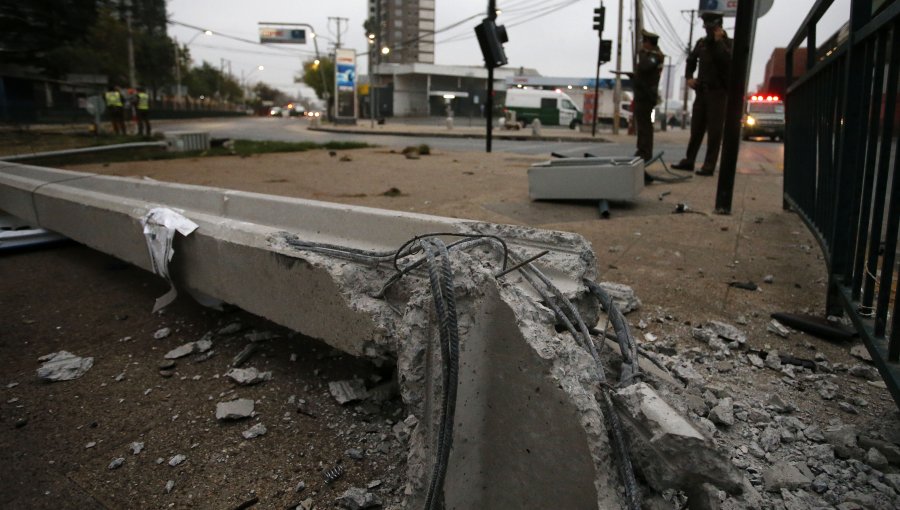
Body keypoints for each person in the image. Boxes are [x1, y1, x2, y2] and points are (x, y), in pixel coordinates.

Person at [671, 12, 733, 176]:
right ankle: (689, 161)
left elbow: (727, 62)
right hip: (702, 92)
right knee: (696, 129)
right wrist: (689, 77)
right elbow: (691, 60)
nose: (707, 30)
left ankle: (709, 165)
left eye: (711, 27)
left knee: (714, 132)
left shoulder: (728, 43)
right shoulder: (702, 43)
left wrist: (719, 42)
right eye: (706, 27)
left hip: (718, 93)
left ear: (718, 26)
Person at [633, 29, 665, 163]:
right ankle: (641, 150)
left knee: (645, 126)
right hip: (642, 94)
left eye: (644, 41)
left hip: (647, 95)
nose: (642, 44)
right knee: (641, 126)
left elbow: (646, 67)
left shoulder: (655, 55)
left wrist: (641, 54)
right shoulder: (649, 54)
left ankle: (645, 152)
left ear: (649, 43)